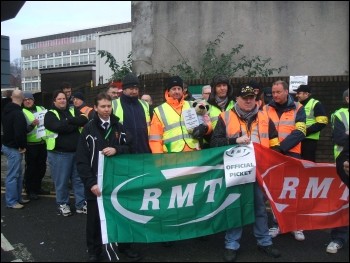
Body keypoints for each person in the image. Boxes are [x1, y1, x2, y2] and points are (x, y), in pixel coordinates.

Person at [211, 84, 281, 262]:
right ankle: (231, 244)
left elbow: (274, 142)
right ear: (237, 99)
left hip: (259, 171)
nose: (249, 100)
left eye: (251, 97)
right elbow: (215, 142)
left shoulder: (264, 117)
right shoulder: (225, 116)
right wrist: (234, 140)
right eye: (245, 98)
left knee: (259, 207)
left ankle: (264, 242)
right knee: (235, 208)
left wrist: (275, 160)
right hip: (236, 172)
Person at [76, 92, 141, 262]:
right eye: (103, 106)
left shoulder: (119, 127)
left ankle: (125, 246)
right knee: (94, 220)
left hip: (117, 182)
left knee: (122, 214)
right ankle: (94, 251)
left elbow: (131, 148)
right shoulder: (88, 130)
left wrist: (117, 149)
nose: (106, 109)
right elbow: (81, 161)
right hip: (95, 184)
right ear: (96, 108)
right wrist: (91, 184)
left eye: (108, 106)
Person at [263, 80, 306, 241]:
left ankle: (296, 225)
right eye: (273, 92)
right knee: (275, 191)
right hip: (272, 156)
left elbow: (301, 131)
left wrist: (281, 148)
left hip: (291, 155)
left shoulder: (298, 108)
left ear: (286, 91)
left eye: (278, 92)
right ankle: (277, 223)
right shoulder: (266, 109)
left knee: (293, 191)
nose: (275, 95)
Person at [44, 90, 88, 216]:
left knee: (78, 180)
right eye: (59, 99)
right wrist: (73, 122)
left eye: (64, 98)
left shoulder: (73, 110)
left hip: (77, 152)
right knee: (61, 182)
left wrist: (68, 122)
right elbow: (57, 127)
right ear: (54, 101)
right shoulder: (50, 114)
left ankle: (81, 204)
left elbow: (84, 119)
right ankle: (63, 204)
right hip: (59, 154)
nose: (63, 100)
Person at [149, 76, 211, 153]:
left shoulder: (193, 105)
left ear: (182, 91)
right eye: (174, 89)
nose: (177, 91)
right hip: (171, 156)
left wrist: (205, 128)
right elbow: (155, 139)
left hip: (194, 152)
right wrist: (159, 159)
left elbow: (208, 122)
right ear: (168, 91)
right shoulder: (159, 111)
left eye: (179, 89)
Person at [326, 88, 349, 254]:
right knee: (343, 203)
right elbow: (340, 138)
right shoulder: (339, 114)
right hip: (345, 164)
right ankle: (338, 238)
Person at [2, 89, 30, 209]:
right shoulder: (18, 113)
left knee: (17, 174)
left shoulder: (6, 110)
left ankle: (17, 198)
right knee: (14, 175)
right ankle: (12, 201)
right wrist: (22, 146)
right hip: (15, 148)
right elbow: (19, 133)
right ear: (22, 98)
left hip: (7, 145)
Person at [112, 73, 151, 154]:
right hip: (123, 152)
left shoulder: (145, 105)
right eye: (131, 88)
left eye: (136, 89)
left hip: (144, 151)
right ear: (124, 89)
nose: (134, 91)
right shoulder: (113, 104)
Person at [22, 92, 49, 200]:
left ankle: (38, 187)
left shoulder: (41, 108)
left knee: (42, 167)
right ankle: (30, 190)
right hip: (31, 145)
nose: (28, 101)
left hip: (42, 143)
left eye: (30, 99)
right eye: (25, 100)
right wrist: (32, 125)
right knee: (31, 169)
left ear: (33, 100)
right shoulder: (22, 112)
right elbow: (23, 131)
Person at [294, 85, 328, 162]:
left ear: (306, 94)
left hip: (309, 140)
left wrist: (305, 132)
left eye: (299, 93)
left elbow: (322, 123)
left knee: (308, 163)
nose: (296, 95)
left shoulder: (315, 104)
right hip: (297, 139)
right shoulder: (296, 105)